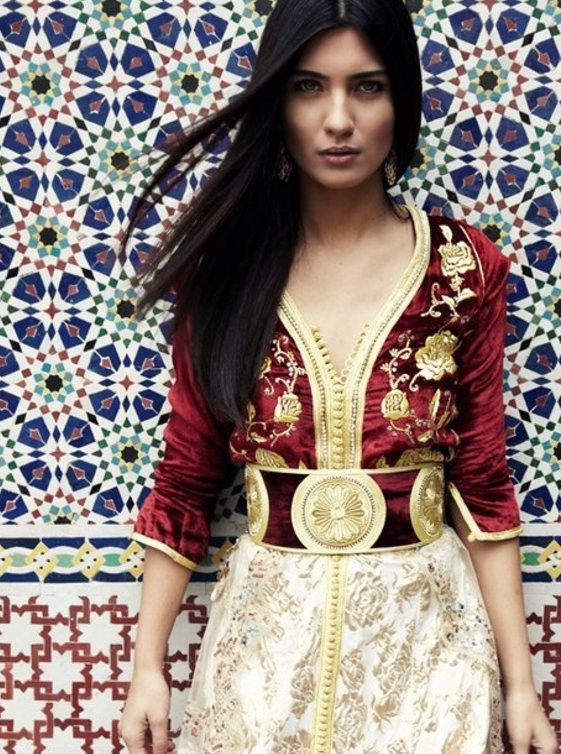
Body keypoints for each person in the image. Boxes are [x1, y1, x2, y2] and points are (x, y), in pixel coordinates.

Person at [120, 1, 558, 753]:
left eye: (367, 86)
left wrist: (522, 688)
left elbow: (483, 483)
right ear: (278, 104)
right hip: (263, 656)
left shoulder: (463, 269)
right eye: (307, 87)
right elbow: (185, 479)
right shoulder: (226, 271)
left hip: (428, 654)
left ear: (402, 100)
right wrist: (146, 669)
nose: (337, 120)